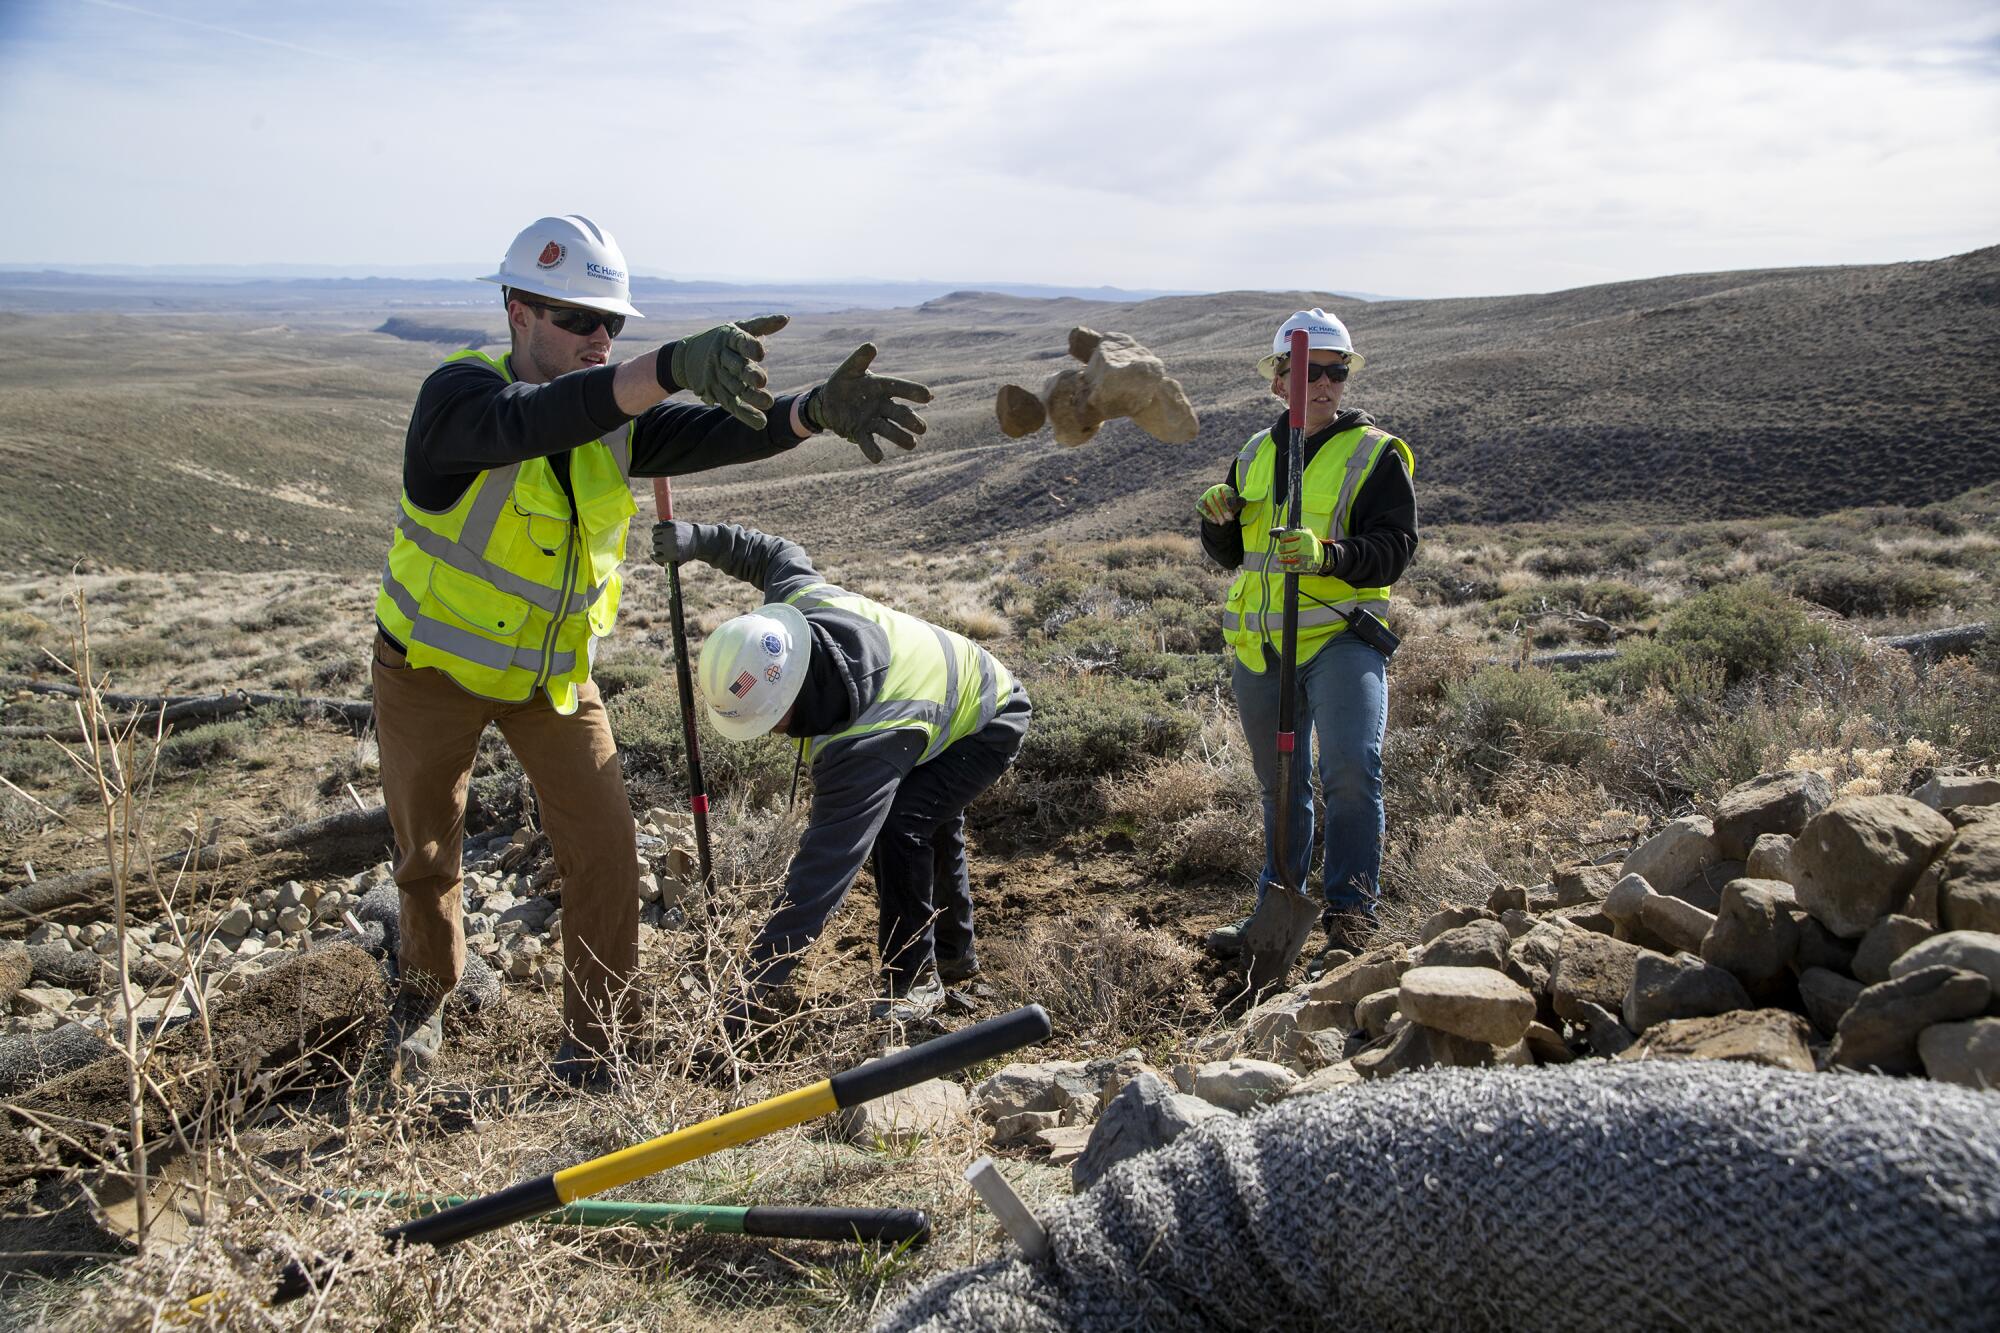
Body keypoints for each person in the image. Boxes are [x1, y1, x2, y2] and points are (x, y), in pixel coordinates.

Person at [373, 215, 932, 1085]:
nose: (600, 337)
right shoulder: (458, 402)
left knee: (607, 849)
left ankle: (597, 1046)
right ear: (519, 312)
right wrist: (666, 364)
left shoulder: (610, 420)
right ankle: (428, 997)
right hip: (428, 674)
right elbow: (532, 422)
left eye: (615, 325)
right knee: (427, 853)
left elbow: (710, 434)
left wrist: (808, 413)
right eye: (579, 319)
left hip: (549, 682)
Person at [650, 519, 1031, 1029]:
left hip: (991, 714)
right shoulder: (794, 613)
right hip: (943, 695)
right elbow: (772, 551)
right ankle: (954, 954)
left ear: (792, 696)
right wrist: (698, 540)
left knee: (903, 825)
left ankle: (912, 978)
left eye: (770, 721)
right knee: (931, 815)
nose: (770, 733)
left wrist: (746, 994)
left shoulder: (862, 749)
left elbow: (819, 879)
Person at [1196, 308, 1417, 965]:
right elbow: (1234, 553)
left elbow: (1395, 548)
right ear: (1277, 380)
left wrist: (1326, 555)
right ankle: (1277, 900)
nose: (1324, 383)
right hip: (1263, 646)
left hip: (1339, 639)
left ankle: (1353, 916)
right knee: (1280, 784)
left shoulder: (1375, 453)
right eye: (1309, 371)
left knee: (1350, 768)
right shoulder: (1254, 455)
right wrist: (1217, 519)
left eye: (1336, 371)